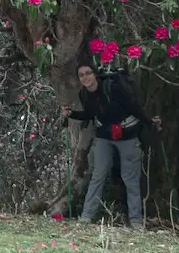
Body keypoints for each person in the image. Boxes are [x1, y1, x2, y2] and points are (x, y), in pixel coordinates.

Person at [60, 63, 162, 230]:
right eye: (81, 75)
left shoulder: (112, 88)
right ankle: (86, 217)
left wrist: (150, 122)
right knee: (97, 175)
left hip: (128, 136)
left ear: (95, 75)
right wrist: (71, 114)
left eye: (88, 73)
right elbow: (89, 113)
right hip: (104, 137)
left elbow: (133, 107)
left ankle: (136, 222)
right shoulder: (84, 94)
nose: (85, 77)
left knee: (131, 180)